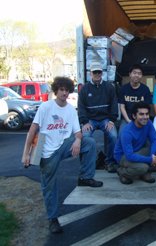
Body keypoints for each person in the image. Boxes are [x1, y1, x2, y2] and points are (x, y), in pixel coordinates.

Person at [22, 77, 103, 234]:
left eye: (67, 90)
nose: (64, 93)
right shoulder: (46, 107)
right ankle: (53, 219)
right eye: (61, 90)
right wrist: (26, 154)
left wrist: (77, 141)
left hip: (64, 145)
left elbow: (78, 132)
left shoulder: (71, 109)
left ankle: (85, 177)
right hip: (47, 150)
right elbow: (32, 130)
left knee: (89, 142)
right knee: (50, 186)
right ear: (56, 90)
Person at [78, 61, 119, 173]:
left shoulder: (109, 87)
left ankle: (110, 162)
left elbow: (114, 105)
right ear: (90, 73)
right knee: (85, 137)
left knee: (114, 136)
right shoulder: (84, 89)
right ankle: (88, 163)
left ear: (102, 73)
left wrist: (111, 120)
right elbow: (81, 107)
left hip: (105, 119)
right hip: (90, 120)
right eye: (94, 72)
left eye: (99, 72)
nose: (97, 74)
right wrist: (84, 122)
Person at [114, 102, 156, 184]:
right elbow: (129, 156)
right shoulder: (127, 132)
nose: (145, 117)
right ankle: (122, 172)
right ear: (134, 116)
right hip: (124, 157)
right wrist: (150, 159)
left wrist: (152, 155)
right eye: (141, 114)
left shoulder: (148, 123)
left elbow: (154, 140)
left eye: (147, 114)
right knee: (143, 167)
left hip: (139, 151)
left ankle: (146, 174)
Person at [118, 64, 152, 135]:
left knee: (149, 135)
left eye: (139, 73)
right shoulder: (123, 89)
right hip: (127, 118)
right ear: (130, 74)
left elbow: (147, 108)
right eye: (134, 73)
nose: (136, 75)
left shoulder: (145, 89)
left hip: (142, 117)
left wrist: (139, 119)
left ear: (142, 76)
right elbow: (122, 107)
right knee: (121, 134)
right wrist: (128, 120)